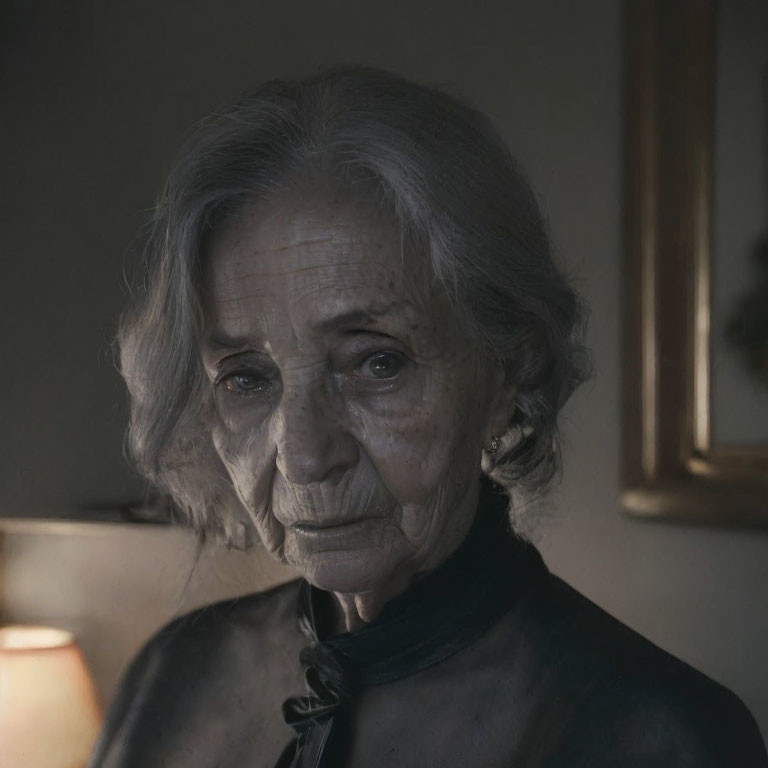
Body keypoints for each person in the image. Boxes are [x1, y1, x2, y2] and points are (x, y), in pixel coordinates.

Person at [88, 67, 767, 767]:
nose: (305, 454)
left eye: (377, 363)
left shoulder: (662, 736)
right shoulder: (171, 677)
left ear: (508, 370)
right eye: (246, 378)